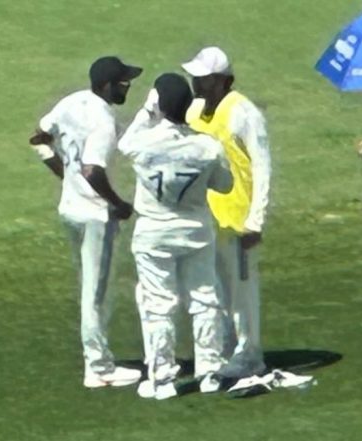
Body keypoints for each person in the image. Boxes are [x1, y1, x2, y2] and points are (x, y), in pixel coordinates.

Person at [28, 56, 143, 388]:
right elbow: (93, 170)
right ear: (106, 85)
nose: (127, 86)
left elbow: (39, 138)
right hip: (95, 217)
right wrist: (119, 204)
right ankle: (99, 368)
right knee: (95, 294)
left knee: (88, 287)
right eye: (123, 82)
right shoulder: (104, 121)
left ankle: (99, 361)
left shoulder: (72, 102)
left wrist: (65, 176)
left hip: (70, 211)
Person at [118, 73, 233, 400]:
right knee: (204, 298)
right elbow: (225, 186)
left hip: (153, 233)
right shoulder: (207, 146)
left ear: (158, 103)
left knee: (158, 305)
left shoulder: (142, 143)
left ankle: (162, 379)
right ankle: (210, 371)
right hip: (196, 231)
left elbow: (124, 143)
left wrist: (146, 111)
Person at [181, 46, 272, 378]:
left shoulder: (244, 113)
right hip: (205, 218)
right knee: (214, 289)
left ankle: (250, 355)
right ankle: (225, 349)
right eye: (195, 77)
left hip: (237, 219)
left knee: (242, 293)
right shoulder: (193, 111)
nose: (196, 83)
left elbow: (262, 167)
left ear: (222, 81)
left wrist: (256, 220)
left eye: (203, 79)